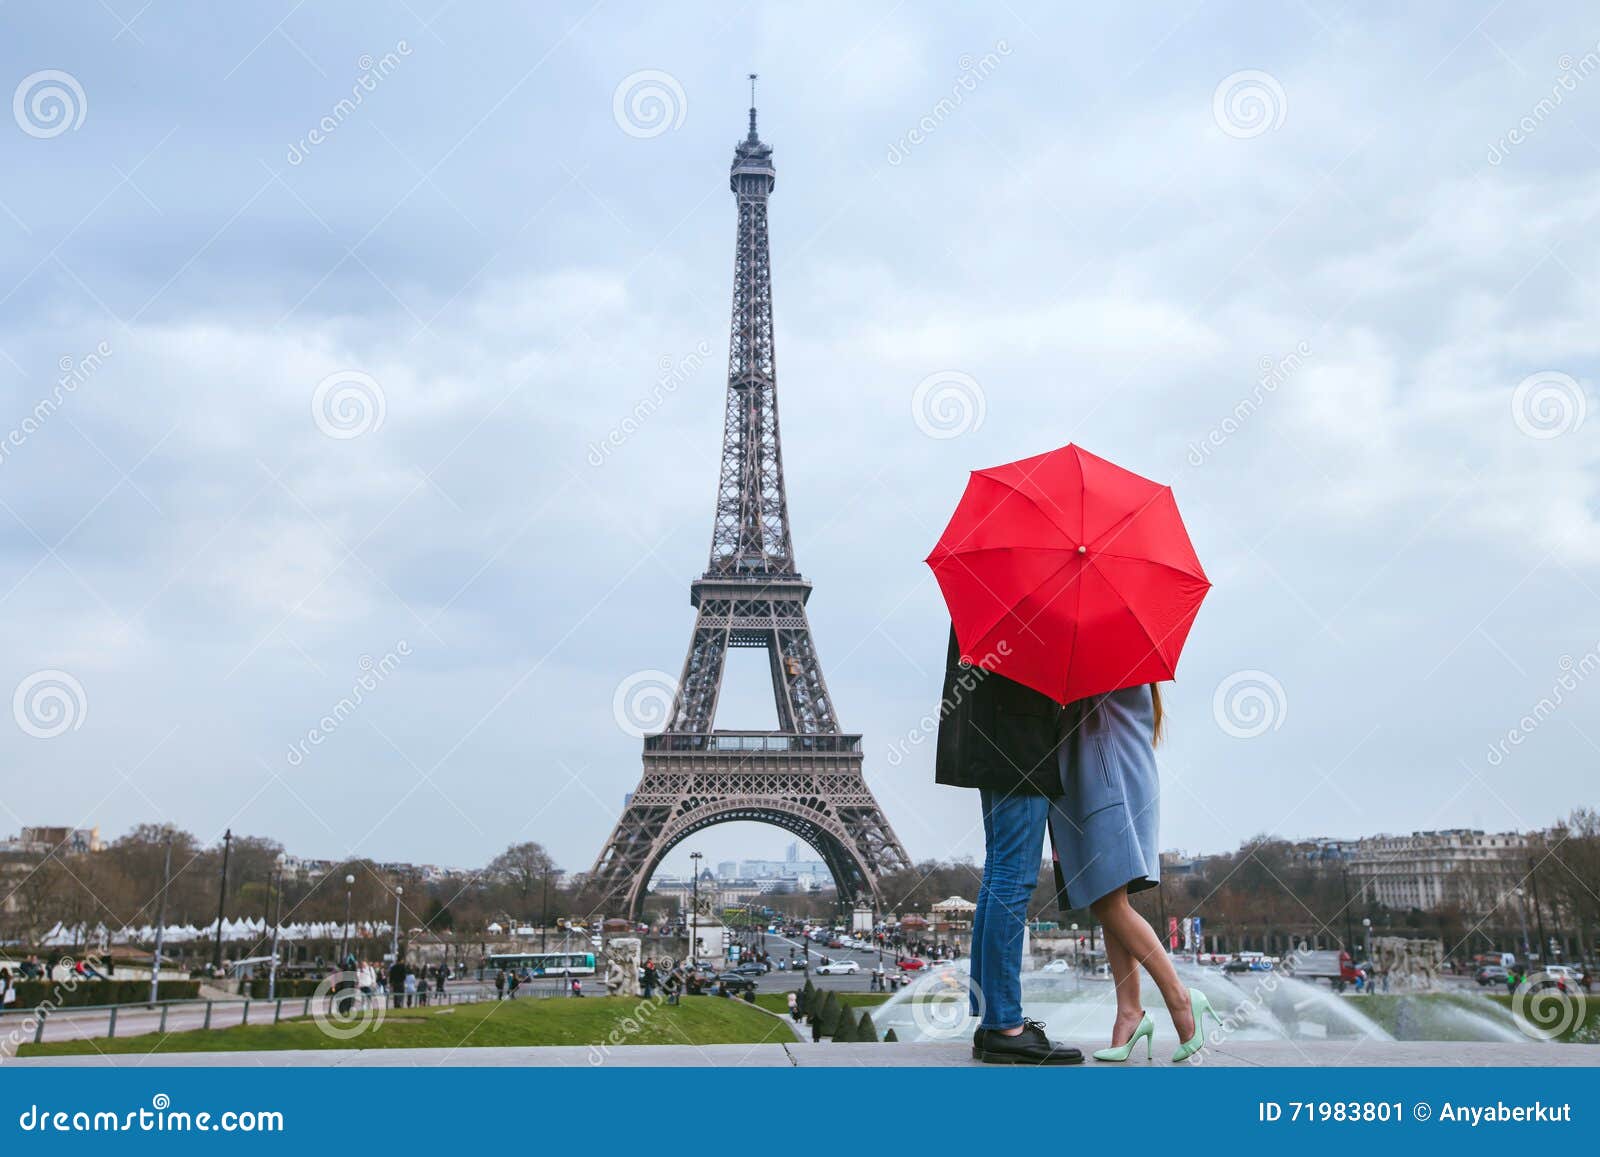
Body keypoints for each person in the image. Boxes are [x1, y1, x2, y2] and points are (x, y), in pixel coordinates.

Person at [934, 628, 1084, 1066]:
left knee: (1001, 875)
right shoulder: (1031, 594)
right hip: (1020, 741)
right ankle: (1004, 1024)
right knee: (1013, 878)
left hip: (998, 737)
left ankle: (994, 1019)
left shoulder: (992, 585)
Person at [1051, 685, 1219, 1063]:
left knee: (1110, 905)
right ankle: (1129, 1013)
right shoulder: (1124, 663)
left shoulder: (1104, 660)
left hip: (1109, 785)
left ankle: (1179, 997)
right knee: (1108, 900)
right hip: (1113, 778)